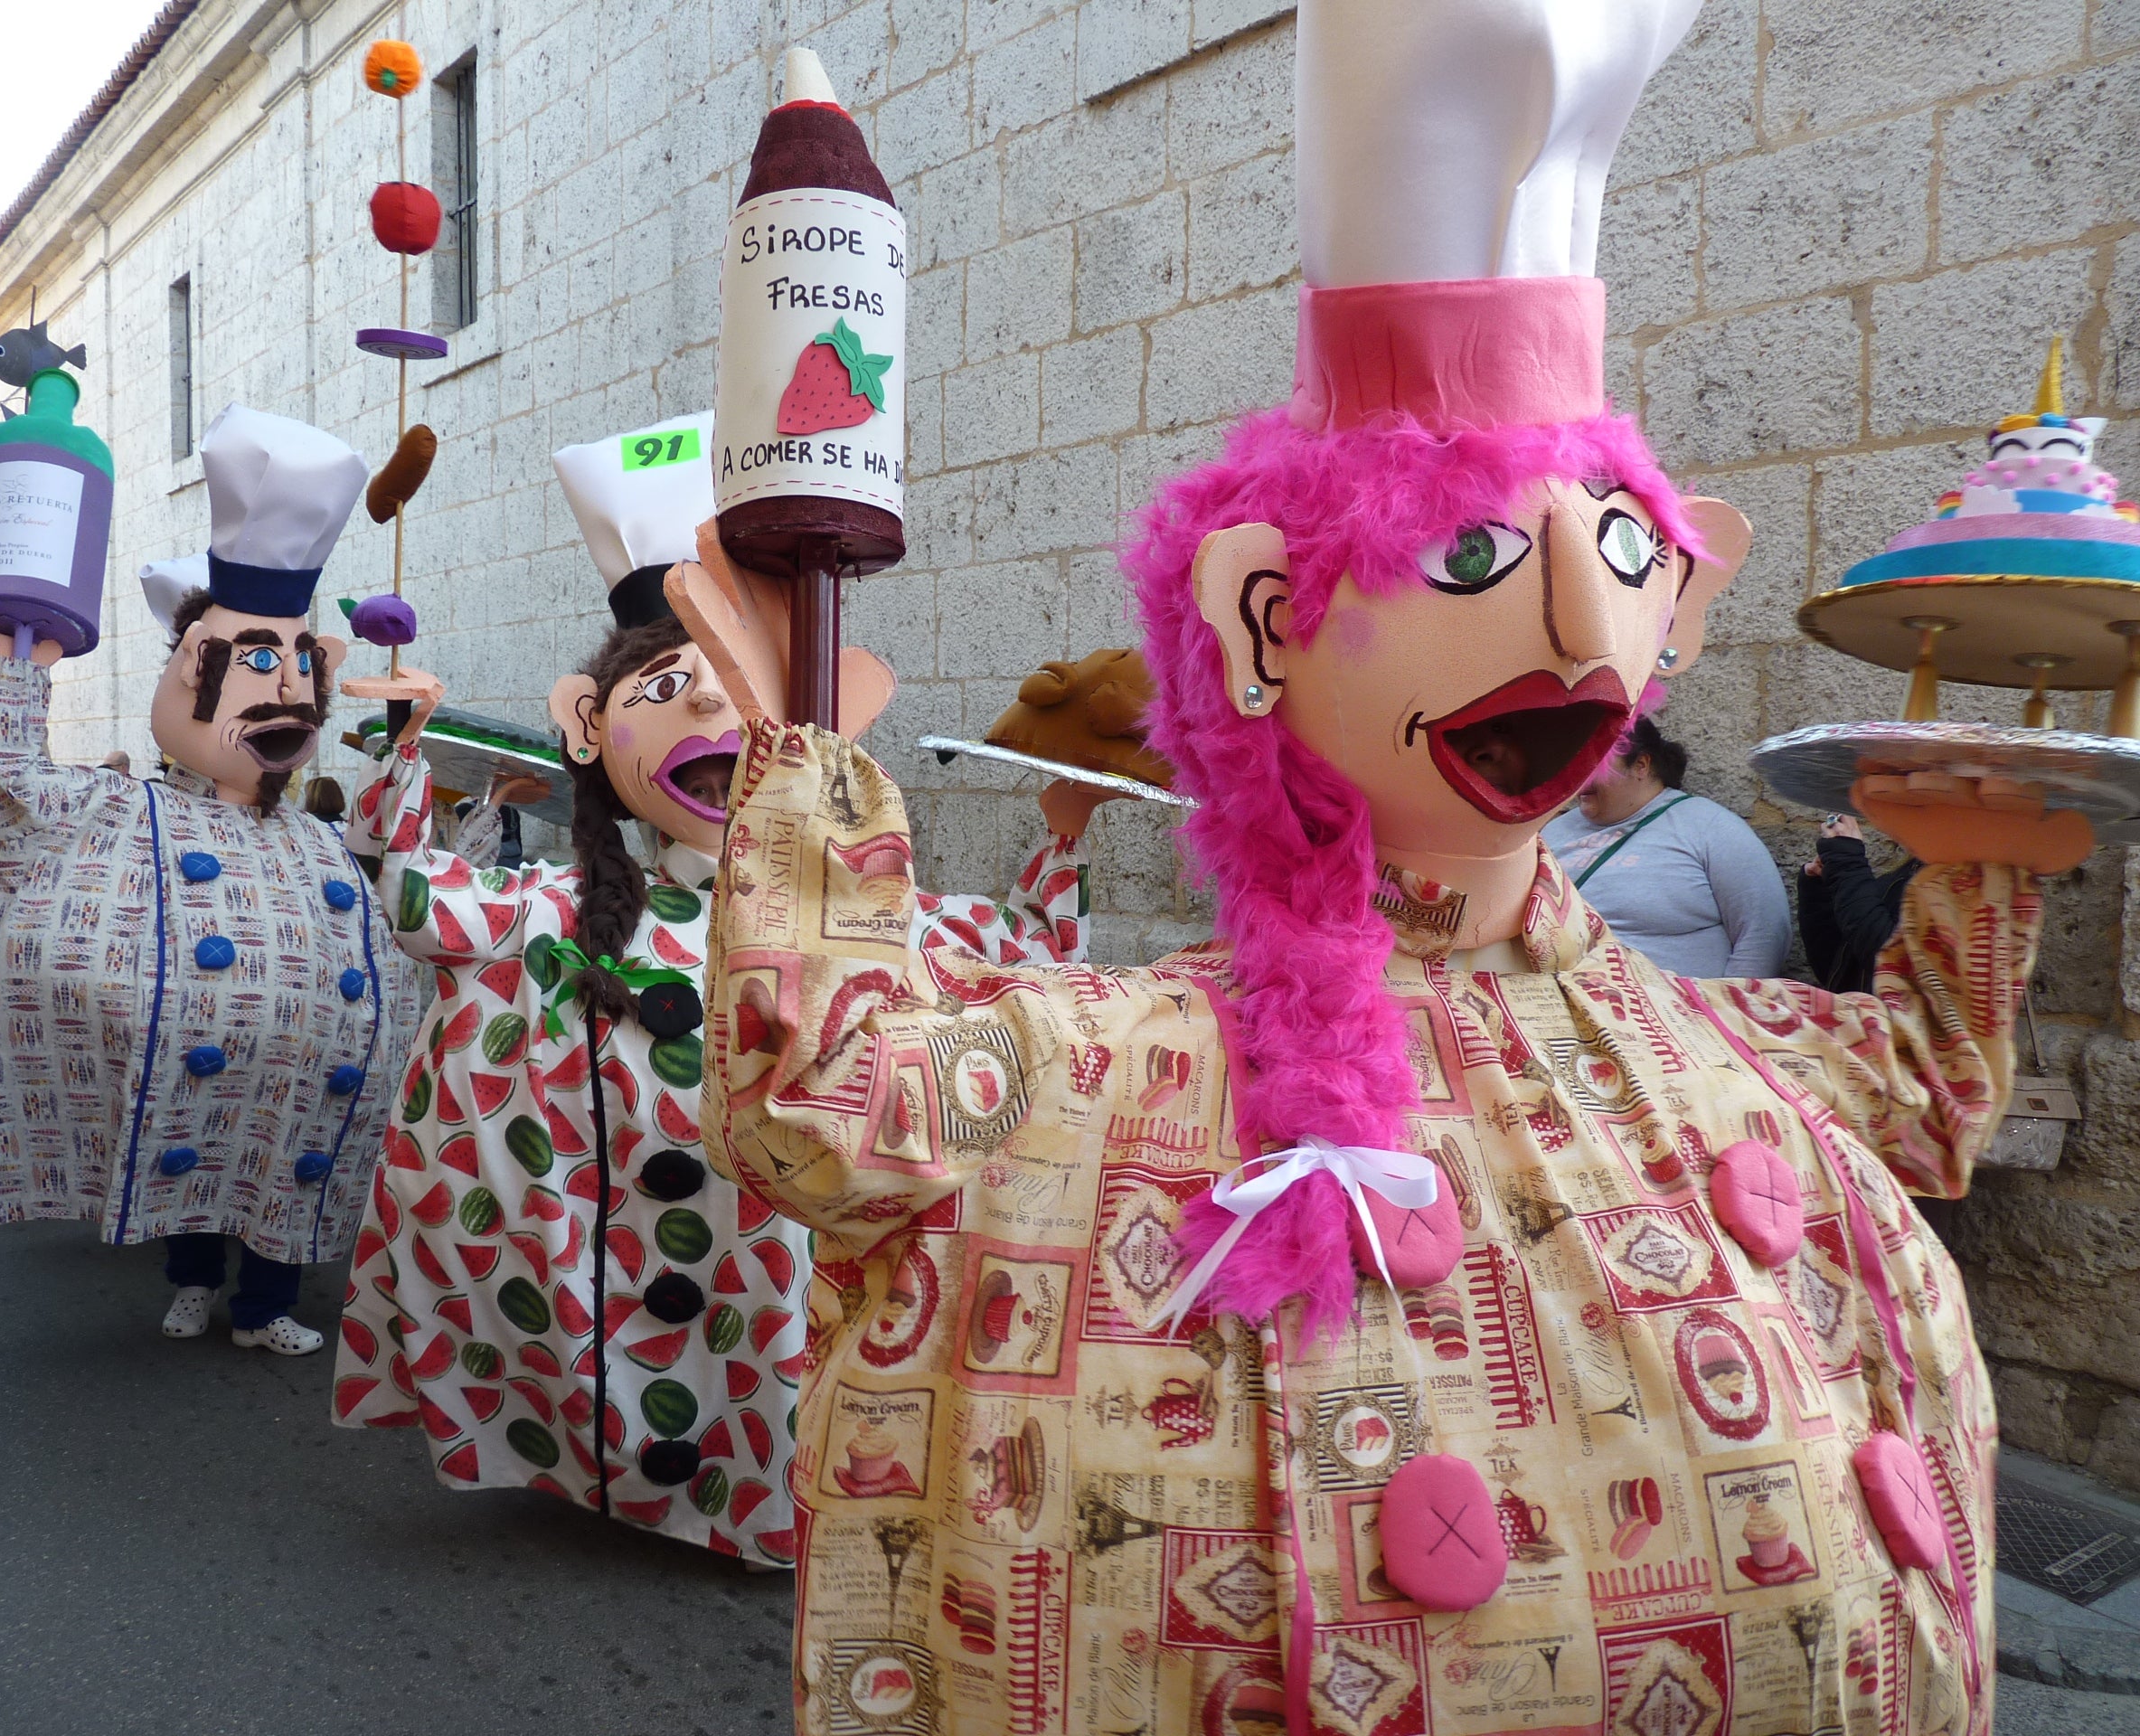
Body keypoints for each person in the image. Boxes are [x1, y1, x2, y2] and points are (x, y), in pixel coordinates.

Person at [682, 5, 2070, 1728]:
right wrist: (799, 765)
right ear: (1263, 622)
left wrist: (1985, 876)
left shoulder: (1709, 1051)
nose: (1578, 629)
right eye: (1478, 552)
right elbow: (826, 1099)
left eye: (1620, 553)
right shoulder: (1113, 1072)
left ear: (1684, 599)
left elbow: (1927, 1098)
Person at [332, 419, 1112, 1563]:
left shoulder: (870, 920)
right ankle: (627, 1483)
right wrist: (398, 755)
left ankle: (764, 1511)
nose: (707, 708)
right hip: (609, 1261)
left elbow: (1025, 954)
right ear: (588, 730)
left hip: (767, 1256)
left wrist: (1064, 829)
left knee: (769, 1359)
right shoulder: (552, 908)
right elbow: (413, 901)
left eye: (734, 681)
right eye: (664, 683)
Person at [0, 404, 419, 1356]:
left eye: (297, 668)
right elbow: (19, 796)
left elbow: (396, 876)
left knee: (276, 1181)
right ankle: (190, 1283)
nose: (283, 692)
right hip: (197, 1062)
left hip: (300, 1071)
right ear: (186, 674)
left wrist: (408, 752)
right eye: (256, 662)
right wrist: (19, 672)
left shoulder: (314, 836)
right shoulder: (129, 810)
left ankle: (263, 1308)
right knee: (198, 1156)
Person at [1543, 713, 1791, 976]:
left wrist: (1728, 1005)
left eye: (1596, 764)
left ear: (1641, 765)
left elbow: (1766, 931)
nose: (1581, 776)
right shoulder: (1550, 832)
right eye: (1575, 763)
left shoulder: (1710, 826)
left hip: (1679, 1010)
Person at [1801, 812, 1918, 994]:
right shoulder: (1914, 868)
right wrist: (1820, 889)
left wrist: (1847, 866)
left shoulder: (1967, 883)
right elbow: (1837, 971)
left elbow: (1893, 964)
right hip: (1858, 1015)